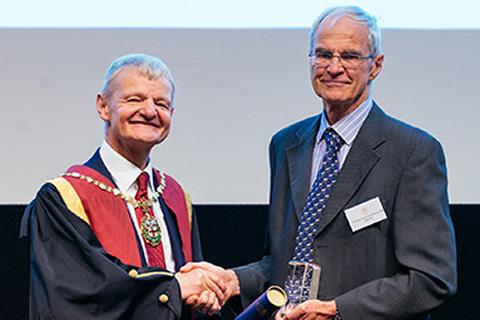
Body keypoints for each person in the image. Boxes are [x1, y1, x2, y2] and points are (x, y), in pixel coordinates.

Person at [182, 6, 457, 320]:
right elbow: (283, 263)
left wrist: (339, 311)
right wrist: (231, 280)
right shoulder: (286, 144)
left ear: (376, 65)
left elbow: (432, 278)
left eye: (350, 56)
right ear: (310, 60)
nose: (334, 67)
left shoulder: (412, 151)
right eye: (323, 54)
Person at [20, 53, 224, 319]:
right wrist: (173, 289)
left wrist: (204, 295)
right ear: (103, 106)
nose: (150, 111)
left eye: (161, 104)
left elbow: (191, 294)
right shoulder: (64, 197)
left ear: (171, 115)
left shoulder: (175, 196)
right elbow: (77, 297)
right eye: (135, 99)